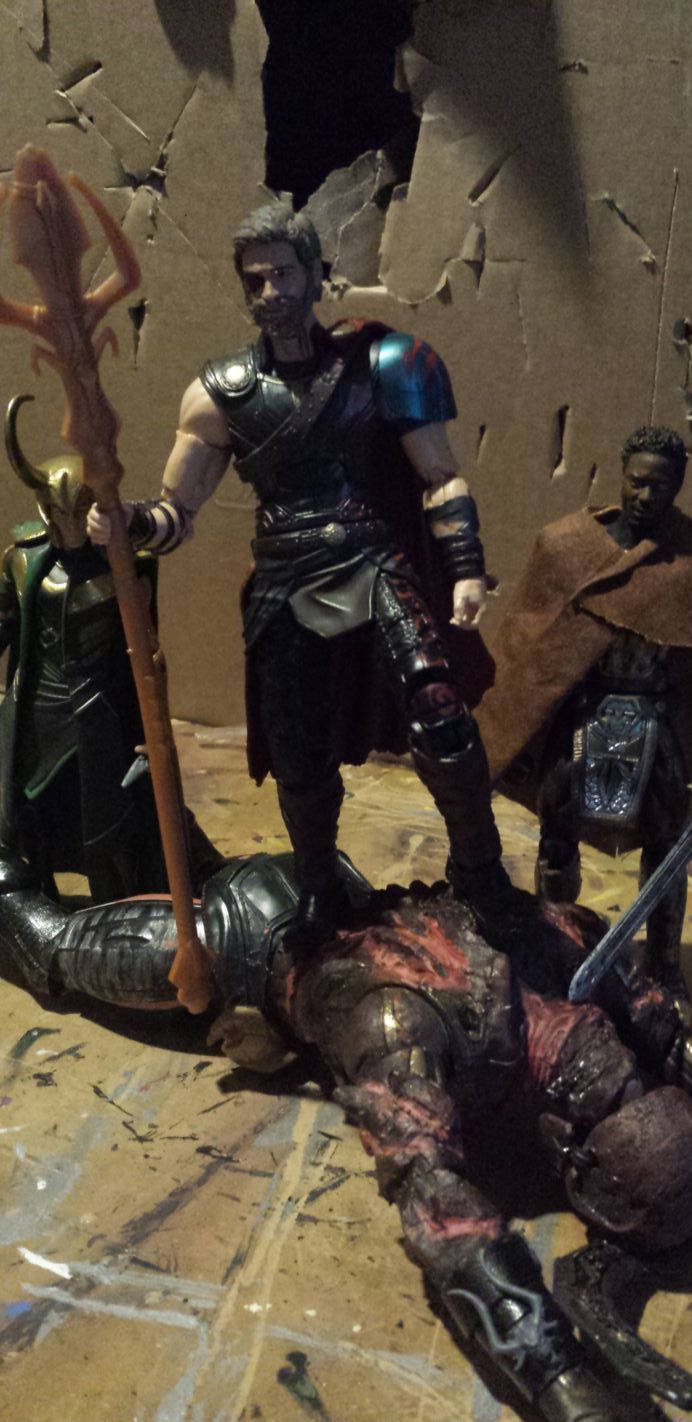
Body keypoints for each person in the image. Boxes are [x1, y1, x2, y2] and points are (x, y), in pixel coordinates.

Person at [0, 847, 692, 1421]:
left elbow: (682, 1051)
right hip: (246, 935)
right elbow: (438, 1205)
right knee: (50, 948)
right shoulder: (404, 1029)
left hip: (330, 882)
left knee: (125, 837)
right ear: (574, 1165)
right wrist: (565, 1387)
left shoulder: (577, 951)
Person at [89, 202, 509, 943]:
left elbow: (440, 477)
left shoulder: (383, 365)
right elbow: (176, 512)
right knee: (298, 752)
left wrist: (466, 570)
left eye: (284, 273)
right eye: (255, 280)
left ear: (317, 276)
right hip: (285, 579)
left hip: (374, 561)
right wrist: (127, 523)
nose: (271, 292)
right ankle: (318, 886)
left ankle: (481, 872)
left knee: (441, 712)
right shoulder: (220, 391)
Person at [476, 426, 692, 995]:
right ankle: (555, 949)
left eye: (659, 485)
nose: (644, 495)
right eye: (636, 481)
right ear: (621, 474)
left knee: (668, 849)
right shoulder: (568, 547)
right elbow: (529, 648)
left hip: (654, 721)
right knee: (556, 837)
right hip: (581, 719)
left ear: (678, 485)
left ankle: (664, 968)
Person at [0, 395, 222, 901]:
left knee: (112, 818)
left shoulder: (124, 562)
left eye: (79, 511)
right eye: (59, 513)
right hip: (37, 711)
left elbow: (145, 650)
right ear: (44, 512)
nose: (70, 525)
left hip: (102, 711)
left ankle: (121, 901)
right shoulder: (22, 561)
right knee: (30, 812)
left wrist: (153, 726)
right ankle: (34, 899)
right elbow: (6, 623)